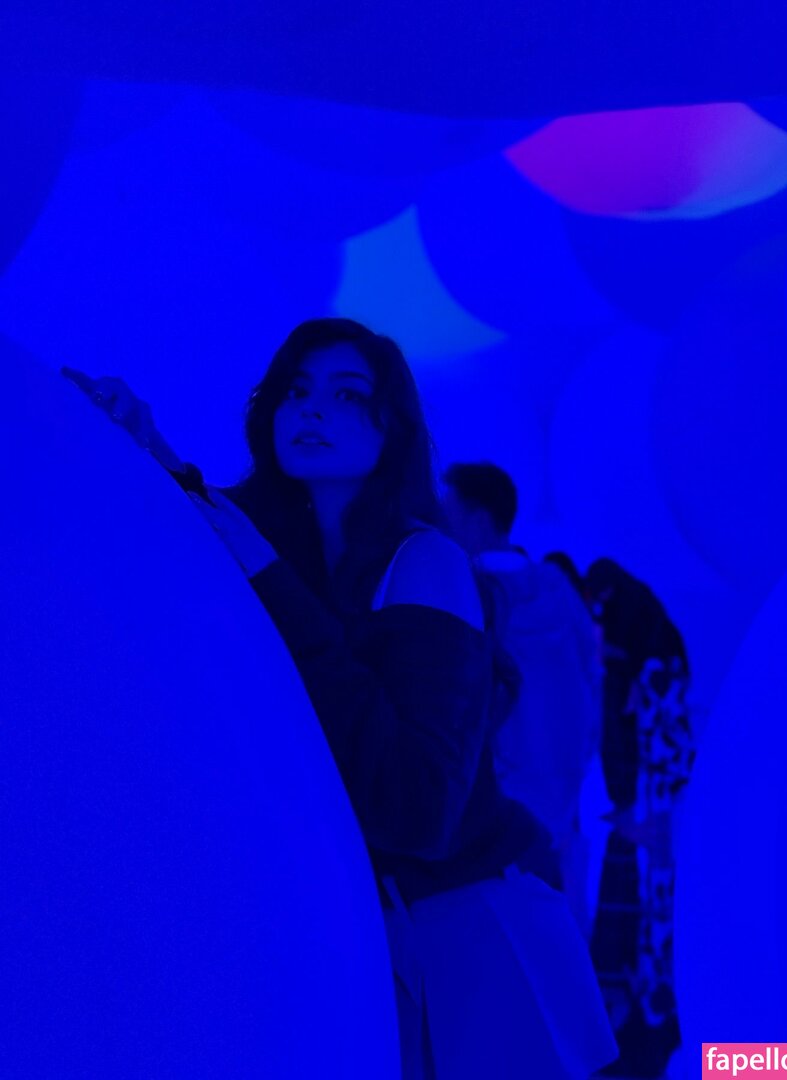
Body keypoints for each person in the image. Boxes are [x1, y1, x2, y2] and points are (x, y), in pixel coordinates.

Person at [66, 319, 616, 1079]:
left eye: (347, 394)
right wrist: (146, 450)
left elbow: (416, 812)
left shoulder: (426, 560)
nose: (314, 408)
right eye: (296, 391)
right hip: (350, 946)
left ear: (392, 428)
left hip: (466, 937)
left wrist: (268, 577)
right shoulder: (282, 552)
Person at [441, 465, 604, 921]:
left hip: (495, 802)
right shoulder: (559, 591)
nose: (438, 525)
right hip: (561, 789)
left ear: (477, 519)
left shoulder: (463, 594)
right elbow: (593, 682)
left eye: (447, 513)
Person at [583, 558, 694, 1079]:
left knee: (647, 949)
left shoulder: (652, 663)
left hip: (649, 834)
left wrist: (648, 815)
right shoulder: (646, 654)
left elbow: (668, 755)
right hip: (643, 832)